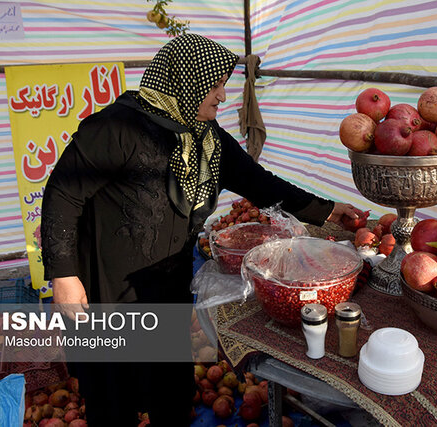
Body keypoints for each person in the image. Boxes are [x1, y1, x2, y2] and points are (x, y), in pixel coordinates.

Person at [41, 33, 359, 425]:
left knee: (170, 389)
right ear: (187, 78)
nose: (224, 96)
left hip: (166, 286)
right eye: (216, 84)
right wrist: (63, 275)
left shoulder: (207, 139)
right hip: (108, 290)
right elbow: (62, 195)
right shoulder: (117, 128)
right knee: (114, 395)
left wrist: (326, 211)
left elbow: (262, 184)